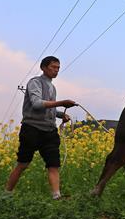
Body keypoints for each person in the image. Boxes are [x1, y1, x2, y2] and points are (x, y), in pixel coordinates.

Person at [5, 56, 77, 199]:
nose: (56, 70)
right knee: (23, 163)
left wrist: (61, 115)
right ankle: (6, 194)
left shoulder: (52, 87)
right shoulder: (35, 82)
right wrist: (62, 103)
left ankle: (57, 196)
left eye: (58, 68)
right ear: (43, 68)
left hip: (49, 131)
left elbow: (48, 108)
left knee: (53, 164)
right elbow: (37, 104)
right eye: (53, 67)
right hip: (32, 128)